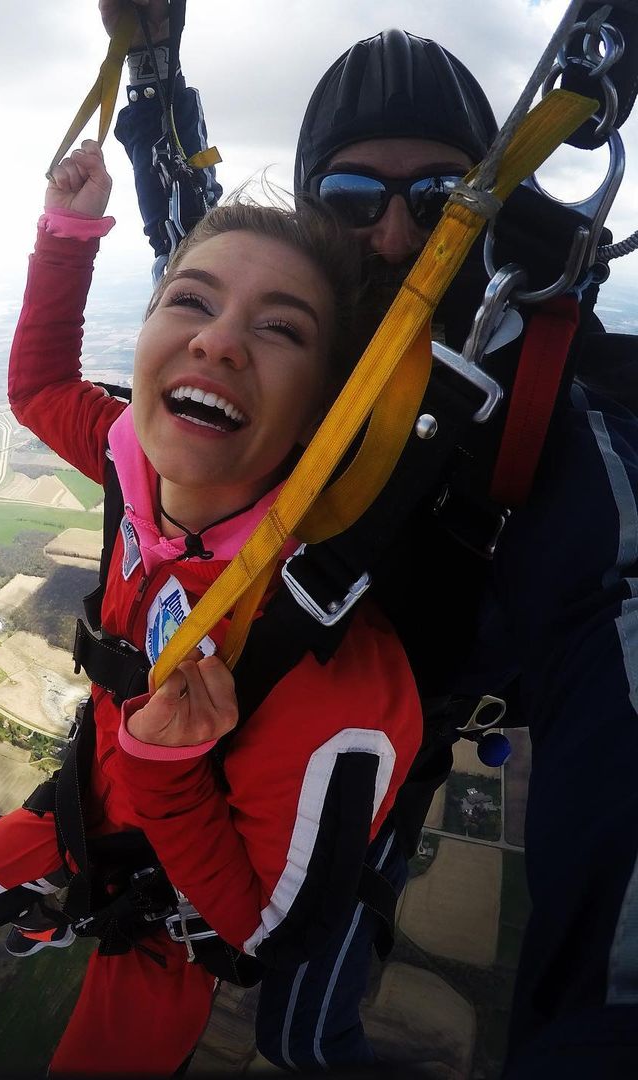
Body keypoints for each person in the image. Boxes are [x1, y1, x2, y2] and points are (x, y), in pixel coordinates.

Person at [102, 3, 638, 1076]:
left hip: (450, 695)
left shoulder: (551, 407)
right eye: (352, 199)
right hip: (356, 732)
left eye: (440, 195)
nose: (396, 236)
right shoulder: (286, 344)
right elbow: (190, 228)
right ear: (310, 218)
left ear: (491, 204)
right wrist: (153, 73)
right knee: (300, 1036)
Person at [0, 139, 422, 1075]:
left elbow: (261, 932)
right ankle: (50, 887)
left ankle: (73, 901)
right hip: (90, 792)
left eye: (280, 330)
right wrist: (68, 234)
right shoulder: (135, 456)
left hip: (169, 888)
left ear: (321, 412)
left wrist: (166, 775)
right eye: (190, 301)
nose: (217, 340)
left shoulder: (326, 664)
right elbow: (41, 389)